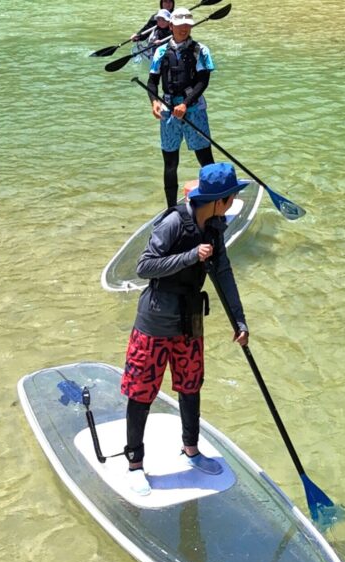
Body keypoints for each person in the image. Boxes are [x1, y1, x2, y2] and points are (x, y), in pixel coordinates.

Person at [120, 162, 250, 496]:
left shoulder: (215, 228)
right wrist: (190, 256)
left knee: (190, 386)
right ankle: (135, 464)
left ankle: (191, 450)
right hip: (155, 321)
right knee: (141, 393)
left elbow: (223, 273)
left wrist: (239, 321)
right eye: (232, 197)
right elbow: (144, 266)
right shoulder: (174, 223)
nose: (234, 202)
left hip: (190, 320)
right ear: (217, 200)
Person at [148, 7, 217, 208]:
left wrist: (185, 104)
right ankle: (171, 209)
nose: (184, 28)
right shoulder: (160, 51)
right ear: (171, 26)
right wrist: (154, 102)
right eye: (179, 25)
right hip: (169, 113)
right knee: (170, 164)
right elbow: (152, 82)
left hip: (194, 111)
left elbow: (203, 82)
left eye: (187, 24)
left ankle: (215, 204)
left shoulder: (201, 51)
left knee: (205, 160)